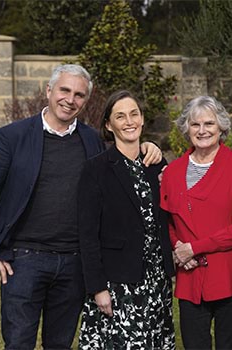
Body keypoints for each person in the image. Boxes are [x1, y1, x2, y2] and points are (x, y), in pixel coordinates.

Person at [0, 64, 162, 349]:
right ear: (49, 91)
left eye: (79, 95)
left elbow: (119, 165)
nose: (70, 100)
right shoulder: (13, 137)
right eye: (64, 90)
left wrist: (147, 147)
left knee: (59, 344)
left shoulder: (91, 141)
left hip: (73, 263)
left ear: (85, 101)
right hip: (23, 261)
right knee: (18, 343)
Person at [77, 90, 176, 349]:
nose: (129, 121)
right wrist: (98, 288)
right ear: (109, 125)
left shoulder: (156, 163)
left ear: (143, 119)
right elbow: (87, 235)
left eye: (134, 114)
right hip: (118, 284)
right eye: (120, 116)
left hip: (156, 281)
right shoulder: (95, 169)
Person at [160, 96, 232, 350]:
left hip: (230, 276)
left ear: (221, 127)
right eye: (195, 124)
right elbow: (166, 220)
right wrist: (179, 246)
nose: (202, 131)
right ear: (186, 129)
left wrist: (194, 248)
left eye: (209, 123)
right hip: (190, 278)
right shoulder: (172, 171)